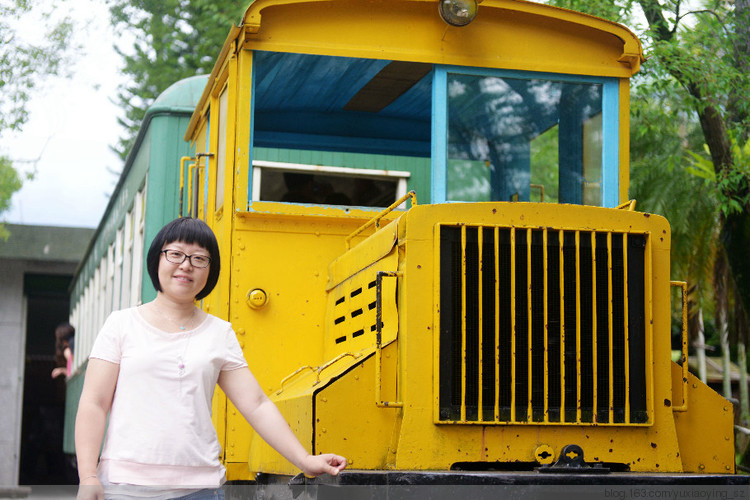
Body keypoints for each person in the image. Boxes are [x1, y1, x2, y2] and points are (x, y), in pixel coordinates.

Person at [75, 218, 347, 500]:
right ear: (157, 259)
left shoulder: (219, 333)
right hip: (125, 487)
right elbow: (94, 402)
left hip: (199, 489)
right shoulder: (121, 324)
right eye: (176, 254)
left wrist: (305, 460)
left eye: (199, 258)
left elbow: (256, 404)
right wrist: (88, 476)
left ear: (210, 271)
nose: (186, 265)